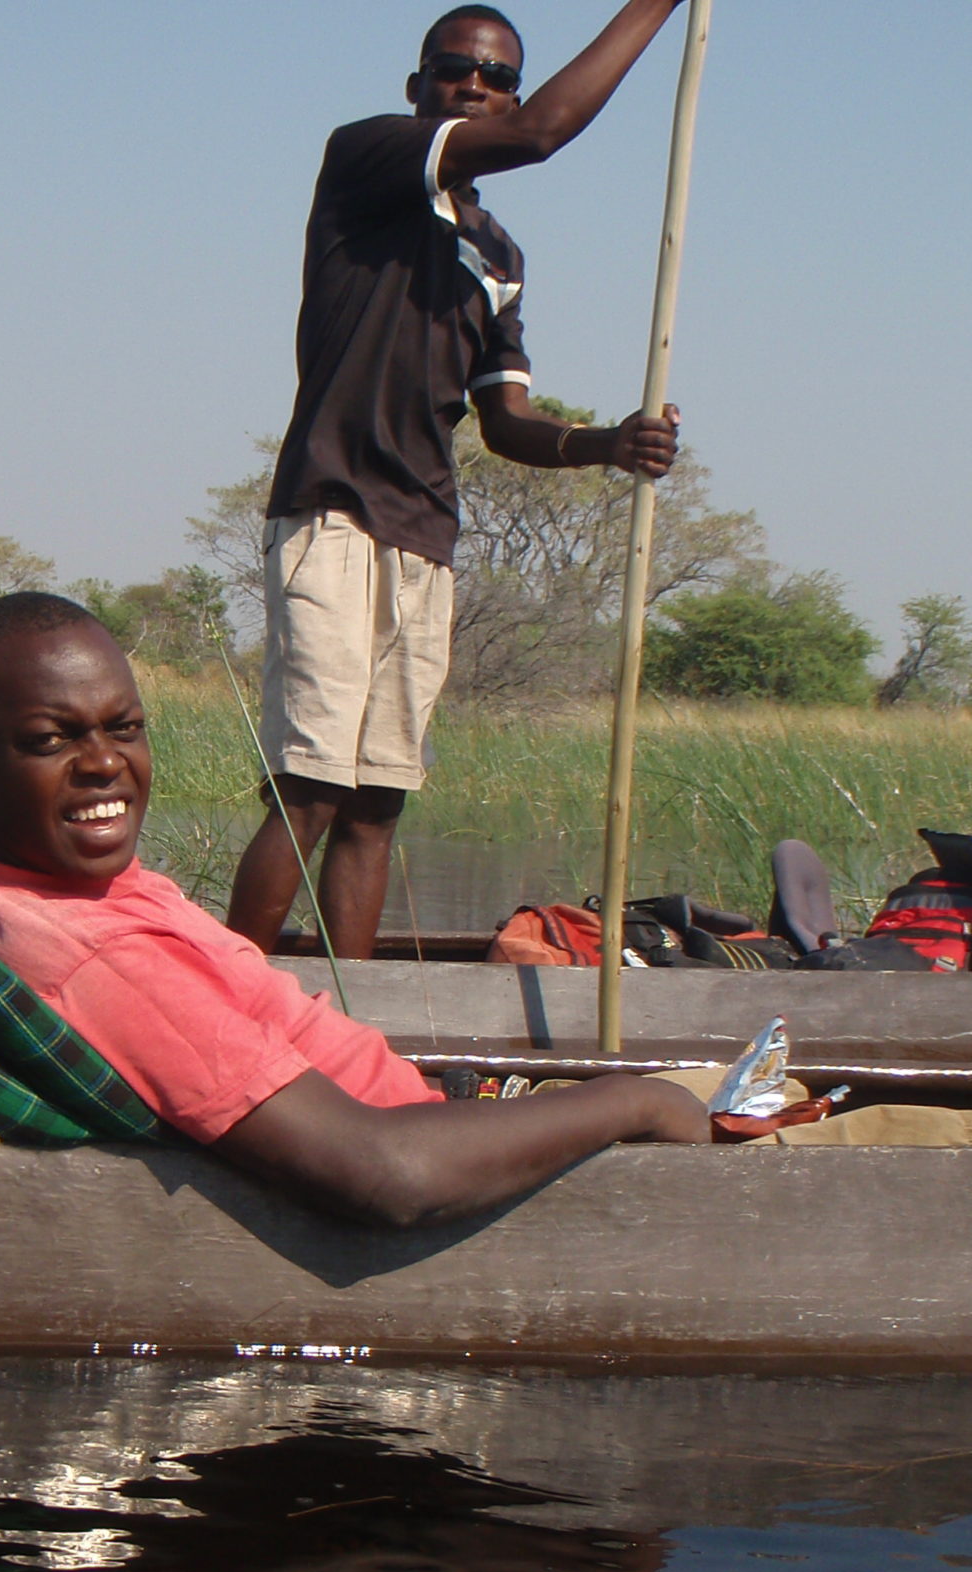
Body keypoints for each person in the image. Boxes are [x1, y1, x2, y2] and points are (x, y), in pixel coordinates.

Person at [0, 593, 709, 1226]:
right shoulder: (96, 957)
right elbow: (386, 1174)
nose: (105, 763)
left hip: (439, 1114)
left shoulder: (55, 887)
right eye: (49, 740)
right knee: (728, 1113)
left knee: (727, 1092)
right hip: (428, 1159)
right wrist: (630, 1100)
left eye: (124, 728)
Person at [224, 0, 690, 960]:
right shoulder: (369, 158)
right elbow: (540, 135)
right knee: (310, 787)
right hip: (335, 508)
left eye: (497, 77)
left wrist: (611, 443)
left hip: (425, 532)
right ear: (420, 88)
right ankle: (226, 997)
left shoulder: (499, 255)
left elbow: (506, 424)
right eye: (456, 70)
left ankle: (363, 1027)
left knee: (377, 801)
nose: (476, 87)